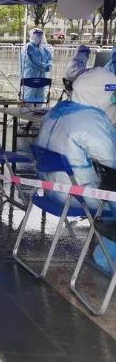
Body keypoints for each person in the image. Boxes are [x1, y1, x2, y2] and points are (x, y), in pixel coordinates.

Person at [35, 67, 116, 273]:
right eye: (111, 94)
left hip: (51, 189)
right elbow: (111, 161)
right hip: (78, 196)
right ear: (99, 93)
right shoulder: (91, 120)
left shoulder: (58, 110)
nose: (112, 100)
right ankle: (107, 258)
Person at [20, 28, 53, 103]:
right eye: (37, 36)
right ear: (32, 36)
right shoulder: (28, 47)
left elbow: (50, 58)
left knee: (40, 95)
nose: (40, 38)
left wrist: (48, 65)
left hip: (42, 76)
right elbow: (30, 61)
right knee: (29, 94)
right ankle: (27, 109)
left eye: (41, 36)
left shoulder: (44, 49)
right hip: (30, 75)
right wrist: (43, 66)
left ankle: (38, 108)